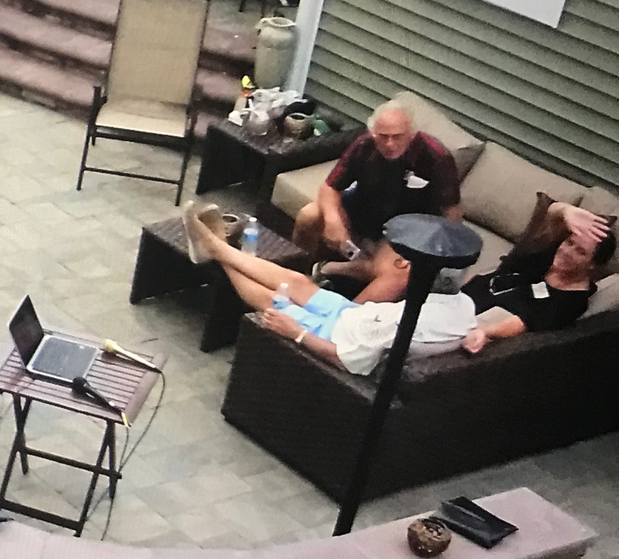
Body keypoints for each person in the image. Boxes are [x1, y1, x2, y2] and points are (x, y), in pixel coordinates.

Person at [181, 208, 477, 374]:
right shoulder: (463, 305)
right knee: (297, 281)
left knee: (274, 299)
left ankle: (215, 248)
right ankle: (216, 248)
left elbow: (345, 359)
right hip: (353, 315)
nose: (402, 264)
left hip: (333, 335)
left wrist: (296, 332)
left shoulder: (403, 326)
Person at [296, 100, 464, 283]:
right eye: (383, 136)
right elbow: (330, 186)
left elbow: (451, 210)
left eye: (397, 137)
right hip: (364, 206)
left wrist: (434, 252)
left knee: (383, 269)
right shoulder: (364, 145)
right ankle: (297, 271)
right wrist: (333, 220)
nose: (390, 144)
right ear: (373, 133)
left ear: (412, 134)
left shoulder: (436, 156)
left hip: (406, 226)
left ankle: (326, 269)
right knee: (308, 215)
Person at [463, 199, 614, 344]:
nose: (567, 252)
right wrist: (567, 211)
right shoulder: (547, 256)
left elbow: (522, 323)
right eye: (569, 242)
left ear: (593, 265)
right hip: (460, 296)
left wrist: (484, 332)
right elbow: (551, 214)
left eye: (580, 252)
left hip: (471, 323)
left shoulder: (571, 301)